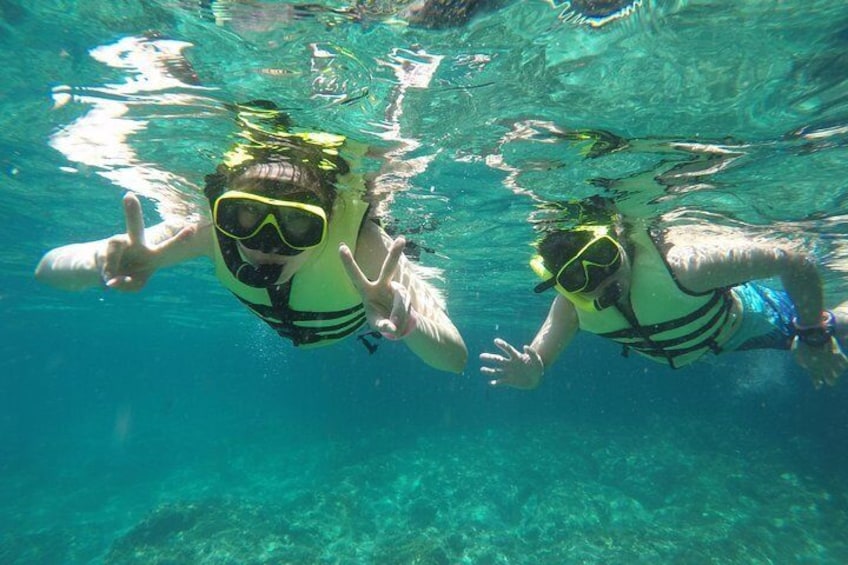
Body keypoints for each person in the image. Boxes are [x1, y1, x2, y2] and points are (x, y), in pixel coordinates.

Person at [36, 101, 467, 374]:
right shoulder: (201, 233)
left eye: (297, 226)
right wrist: (102, 262)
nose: (264, 243)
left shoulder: (364, 248)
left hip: (358, 329)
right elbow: (47, 270)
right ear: (222, 215)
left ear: (327, 220)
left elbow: (455, 359)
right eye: (243, 217)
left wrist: (407, 325)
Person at [480, 198, 848, 390]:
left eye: (604, 257)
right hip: (704, 343)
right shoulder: (570, 309)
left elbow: (795, 262)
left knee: (842, 325)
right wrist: (531, 375)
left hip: (747, 322)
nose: (602, 279)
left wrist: (814, 334)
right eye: (578, 277)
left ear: (619, 242)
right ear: (564, 287)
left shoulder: (686, 267)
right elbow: (537, 364)